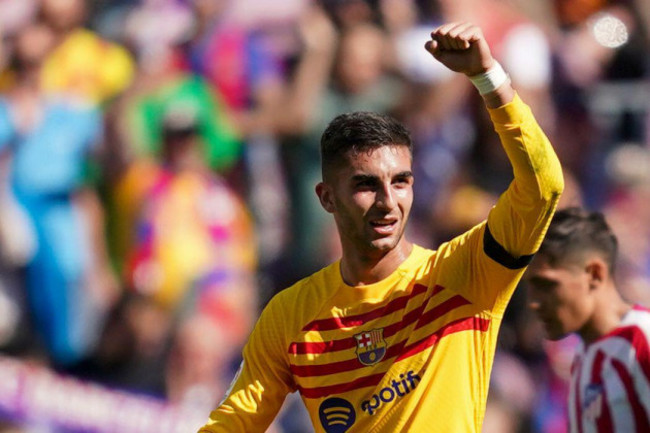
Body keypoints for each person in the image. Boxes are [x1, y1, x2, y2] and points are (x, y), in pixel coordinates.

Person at [199, 21, 564, 433]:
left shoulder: (465, 274)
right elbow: (233, 424)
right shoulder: (291, 315)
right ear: (326, 198)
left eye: (401, 181)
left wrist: (488, 78)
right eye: (366, 185)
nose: (388, 202)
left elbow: (544, 187)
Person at [526, 207, 650, 432]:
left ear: (594, 274)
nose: (534, 302)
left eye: (547, 285)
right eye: (531, 288)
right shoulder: (584, 358)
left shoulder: (642, 339)